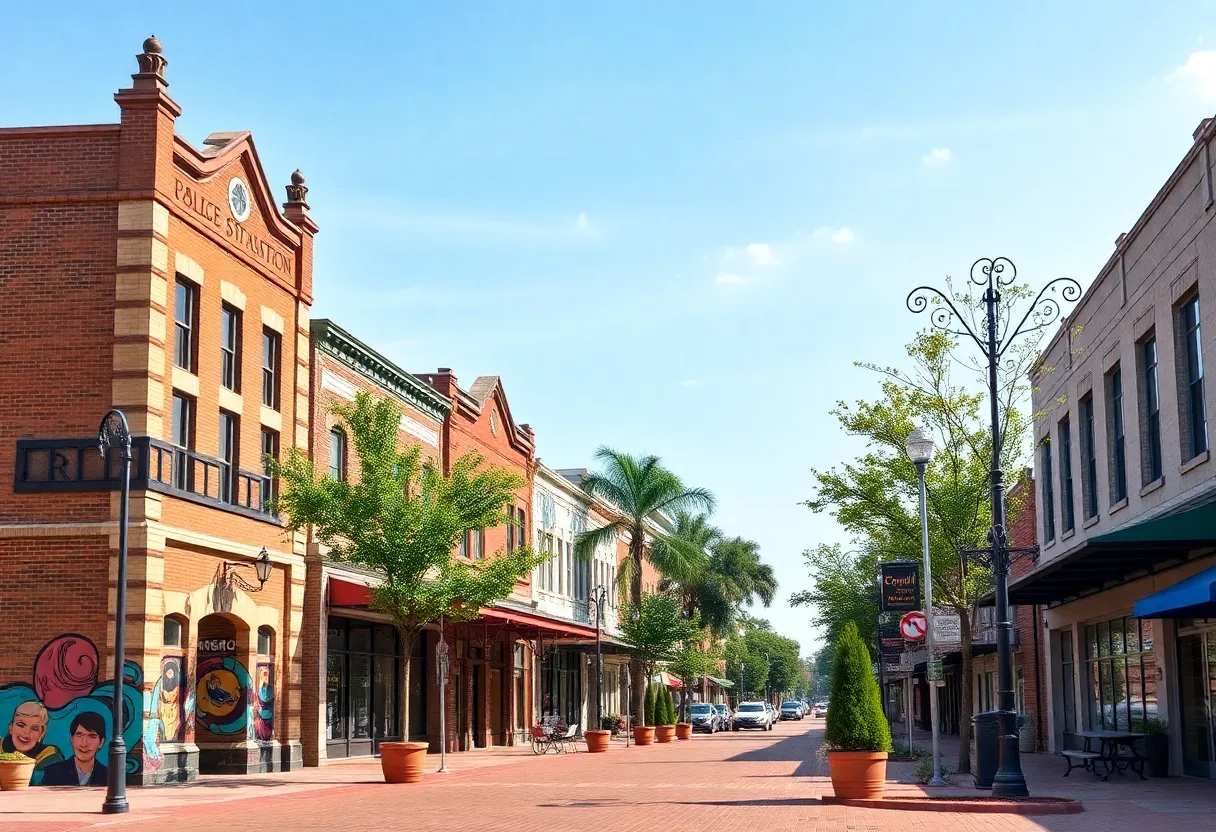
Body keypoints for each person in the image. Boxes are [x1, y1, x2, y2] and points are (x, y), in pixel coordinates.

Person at [1, 701, 63, 783]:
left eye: (34, 729)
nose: (26, 734)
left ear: (42, 733)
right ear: (11, 727)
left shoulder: (51, 757)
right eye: (20, 725)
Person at [41, 712, 107, 786]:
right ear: (71, 739)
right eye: (79, 735)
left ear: (101, 742)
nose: (84, 744)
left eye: (92, 736)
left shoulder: (109, 776)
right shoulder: (53, 773)